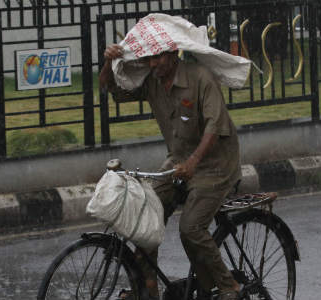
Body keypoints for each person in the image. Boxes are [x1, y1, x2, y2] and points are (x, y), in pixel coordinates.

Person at [100, 44, 242, 300]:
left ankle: (227, 286)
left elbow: (215, 125)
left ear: (172, 55)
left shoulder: (200, 77)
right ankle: (147, 287)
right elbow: (113, 89)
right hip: (178, 162)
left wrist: (193, 163)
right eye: (149, 59)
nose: (153, 64)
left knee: (191, 229)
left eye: (158, 58)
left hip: (215, 166)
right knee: (145, 216)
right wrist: (109, 64)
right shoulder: (152, 81)